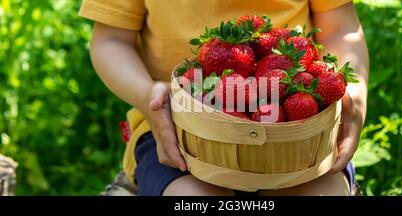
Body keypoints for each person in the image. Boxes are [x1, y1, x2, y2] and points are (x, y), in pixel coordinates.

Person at [79, 0, 369, 196]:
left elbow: (341, 28)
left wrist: (353, 95)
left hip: (297, 132)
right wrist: (146, 95)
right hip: (177, 133)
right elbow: (111, 40)